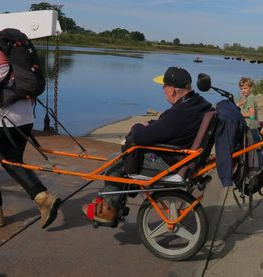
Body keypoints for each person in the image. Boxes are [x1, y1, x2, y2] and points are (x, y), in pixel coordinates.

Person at [0, 6, 60, 229]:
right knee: (12, 160)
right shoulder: (6, 50)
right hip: (25, 116)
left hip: (0, 121)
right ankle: (43, 198)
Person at [84, 66, 213, 226]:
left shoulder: (179, 114)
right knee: (120, 159)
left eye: (164, 87)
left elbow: (140, 137)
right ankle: (116, 205)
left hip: (170, 161)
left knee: (113, 163)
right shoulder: (198, 103)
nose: (163, 90)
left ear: (172, 90)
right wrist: (153, 125)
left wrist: (137, 126)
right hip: (182, 156)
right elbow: (166, 127)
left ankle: (108, 210)